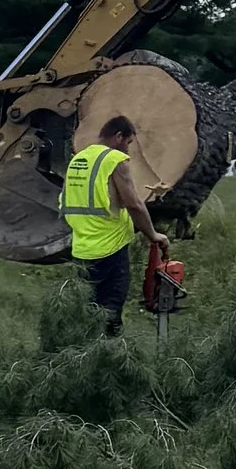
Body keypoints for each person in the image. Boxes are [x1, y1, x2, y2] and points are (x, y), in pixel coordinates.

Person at [61, 113, 158, 336]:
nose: (128, 150)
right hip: (109, 249)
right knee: (110, 314)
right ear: (118, 136)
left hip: (81, 248)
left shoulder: (80, 159)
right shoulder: (114, 160)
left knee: (87, 310)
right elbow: (133, 204)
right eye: (129, 143)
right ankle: (109, 360)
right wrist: (153, 235)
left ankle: (79, 356)